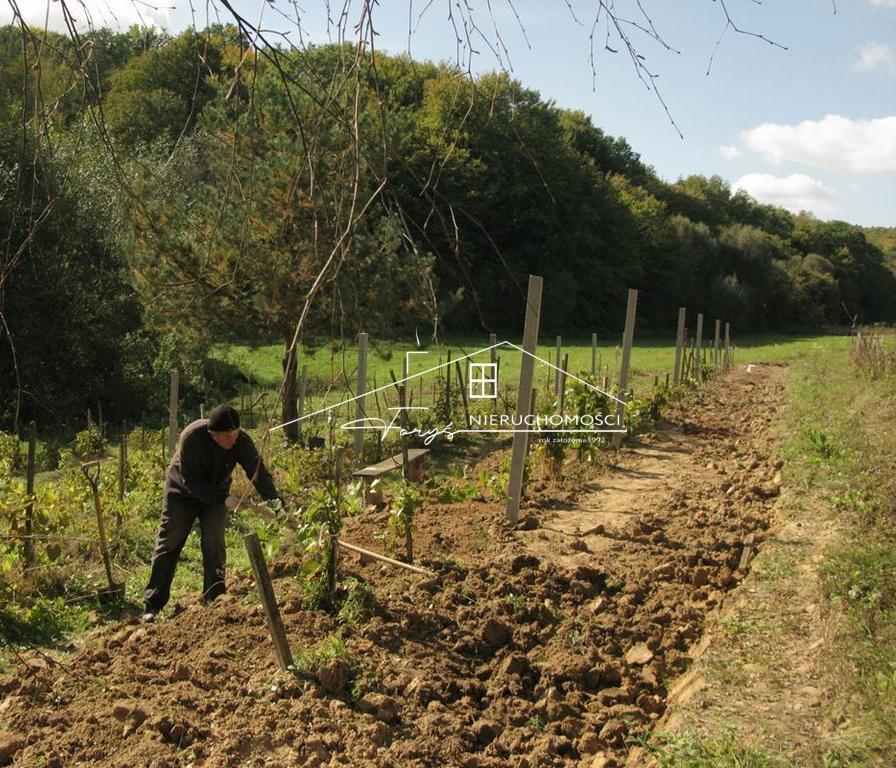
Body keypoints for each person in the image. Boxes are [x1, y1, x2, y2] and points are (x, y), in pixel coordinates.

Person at [142, 404, 280, 621]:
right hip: (182, 492)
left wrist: (277, 507)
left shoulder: (240, 441)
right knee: (170, 541)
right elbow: (192, 482)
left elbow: (258, 474)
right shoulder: (192, 438)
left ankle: (214, 600)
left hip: (216, 493)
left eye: (236, 434)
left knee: (214, 541)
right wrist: (225, 500)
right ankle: (153, 603)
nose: (233, 440)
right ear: (213, 434)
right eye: (228, 436)